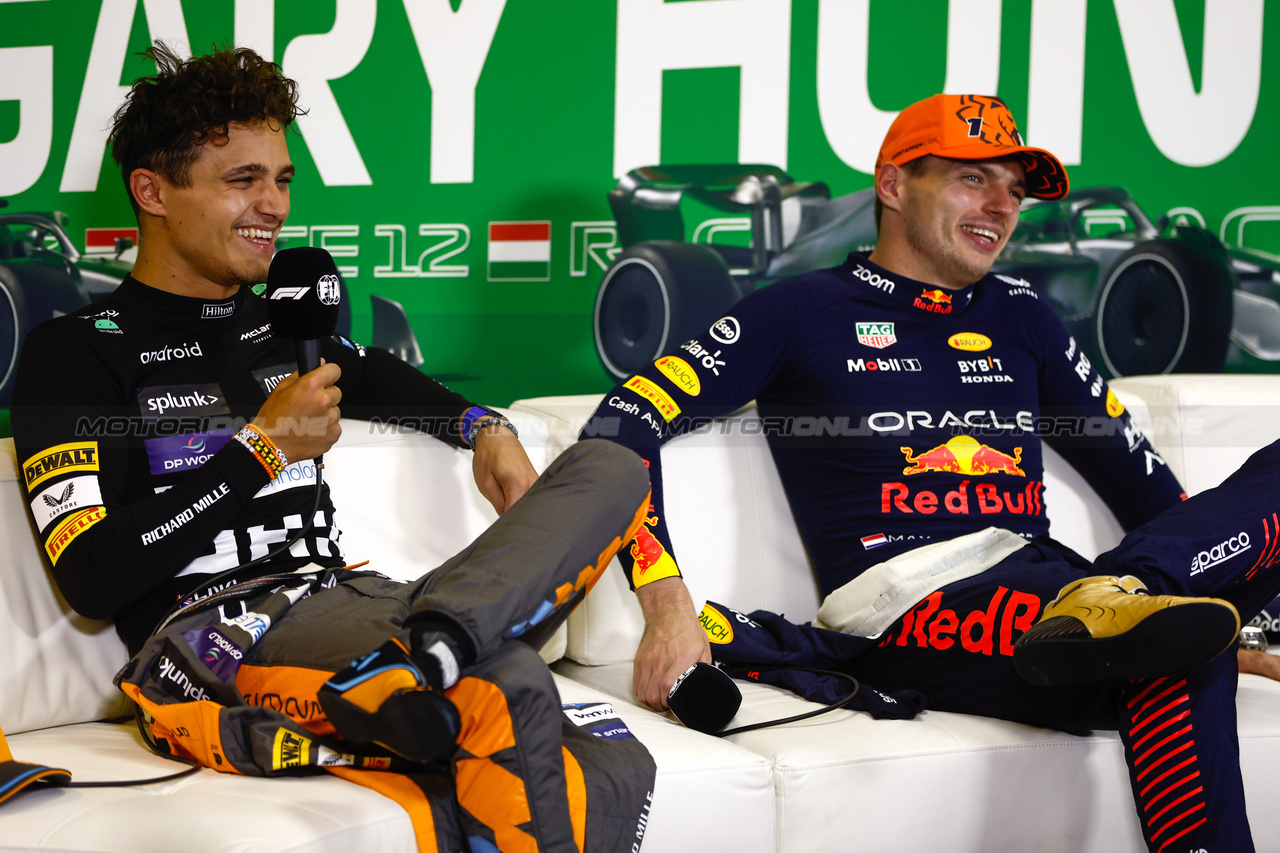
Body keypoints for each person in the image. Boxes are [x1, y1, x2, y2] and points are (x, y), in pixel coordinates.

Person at [585, 92, 1280, 852]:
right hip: (910, 603)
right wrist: (665, 603)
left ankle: (1125, 598)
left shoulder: (1025, 316)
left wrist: (1237, 606)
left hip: (1054, 585)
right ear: (891, 185)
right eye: (972, 178)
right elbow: (621, 425)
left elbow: (1148, 488)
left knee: (1175, 620)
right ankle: (1127, 604)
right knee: (1174, 644)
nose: (1001, 205)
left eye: (1014, 189)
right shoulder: (798, 310)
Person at [12, 43, 655, 852]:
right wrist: (261, 451)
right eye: (242, 179)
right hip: (223, 636)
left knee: (611, 465)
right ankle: (438, 652)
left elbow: (401, 386)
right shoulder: (72, 352)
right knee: (513, 682)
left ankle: (434, 647)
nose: (273, 205)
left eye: (281, 179)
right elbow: (93, 574)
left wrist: (483, 429)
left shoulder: (285, 323)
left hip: (357, 599)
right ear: (153, 191)